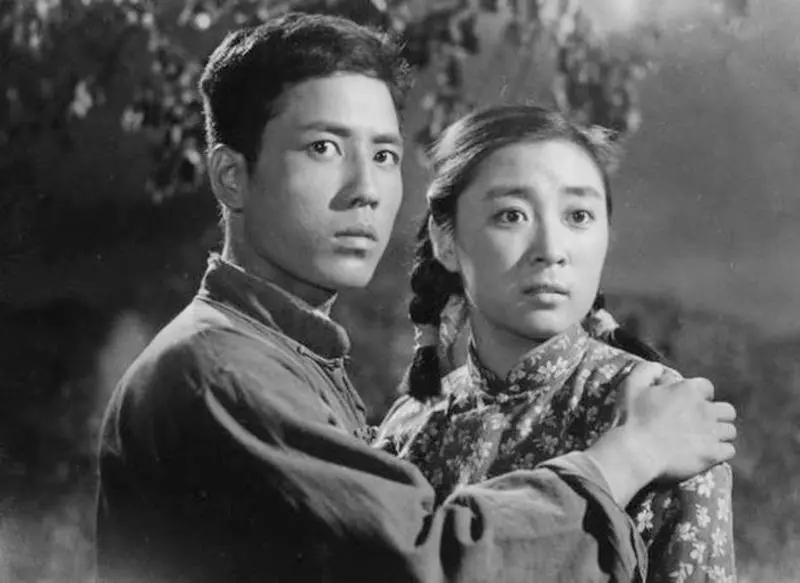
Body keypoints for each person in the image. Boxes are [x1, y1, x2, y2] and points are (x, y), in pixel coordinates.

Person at [96, 13, 737, 583]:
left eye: (384, 154)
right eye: (323, 148)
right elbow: (419, 561)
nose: (366, 189)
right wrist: (627, 456)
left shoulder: (655, 407)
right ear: (231, 176)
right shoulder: (228, 371)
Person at [376, 105, 737, 582]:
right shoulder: (411, 430)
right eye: (512, 215)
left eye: (578, 216)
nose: (551, 249)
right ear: (446, 241)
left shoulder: (662, 416)